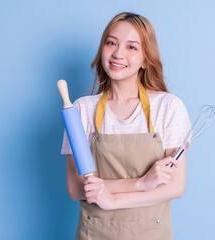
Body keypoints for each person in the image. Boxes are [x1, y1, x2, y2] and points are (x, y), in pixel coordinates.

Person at [61, 12, 191, 240]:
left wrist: (112, 199)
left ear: (145, 59)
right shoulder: (81, 110)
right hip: (95, 233)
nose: (118, 53)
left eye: (132, 47)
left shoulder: (168, 106)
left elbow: (174, 188)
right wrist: (141, 183)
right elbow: (75, 189)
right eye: (111, 43)